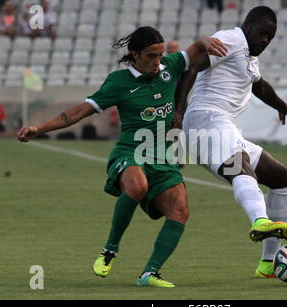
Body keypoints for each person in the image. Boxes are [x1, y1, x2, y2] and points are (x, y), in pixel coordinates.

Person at [17, 26, 228, 288]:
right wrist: (39, 128)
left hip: (162, 156)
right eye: (151, 56)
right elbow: (77, 112)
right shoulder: (118, 82)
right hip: (130, 152)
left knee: (180, 210)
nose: (157, 61)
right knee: (138, 186)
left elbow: (195, 49)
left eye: (160, 55)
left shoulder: (170, 67)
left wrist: (205, 40)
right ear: (135, 54)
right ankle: (110, 250)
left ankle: (149, 273)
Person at [174, 6, 287, 280]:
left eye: (271, 36)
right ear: (247, 25)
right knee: (240, 167)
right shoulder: (231, 40)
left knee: (281, 177)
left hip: (224, 127)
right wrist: (178, 110)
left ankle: (269, 263)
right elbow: (193, 65)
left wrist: (282, 106)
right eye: (262, 33)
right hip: (206, 120)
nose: (266, 40)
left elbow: (259, 86)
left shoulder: (248, 54)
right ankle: (260, 220)